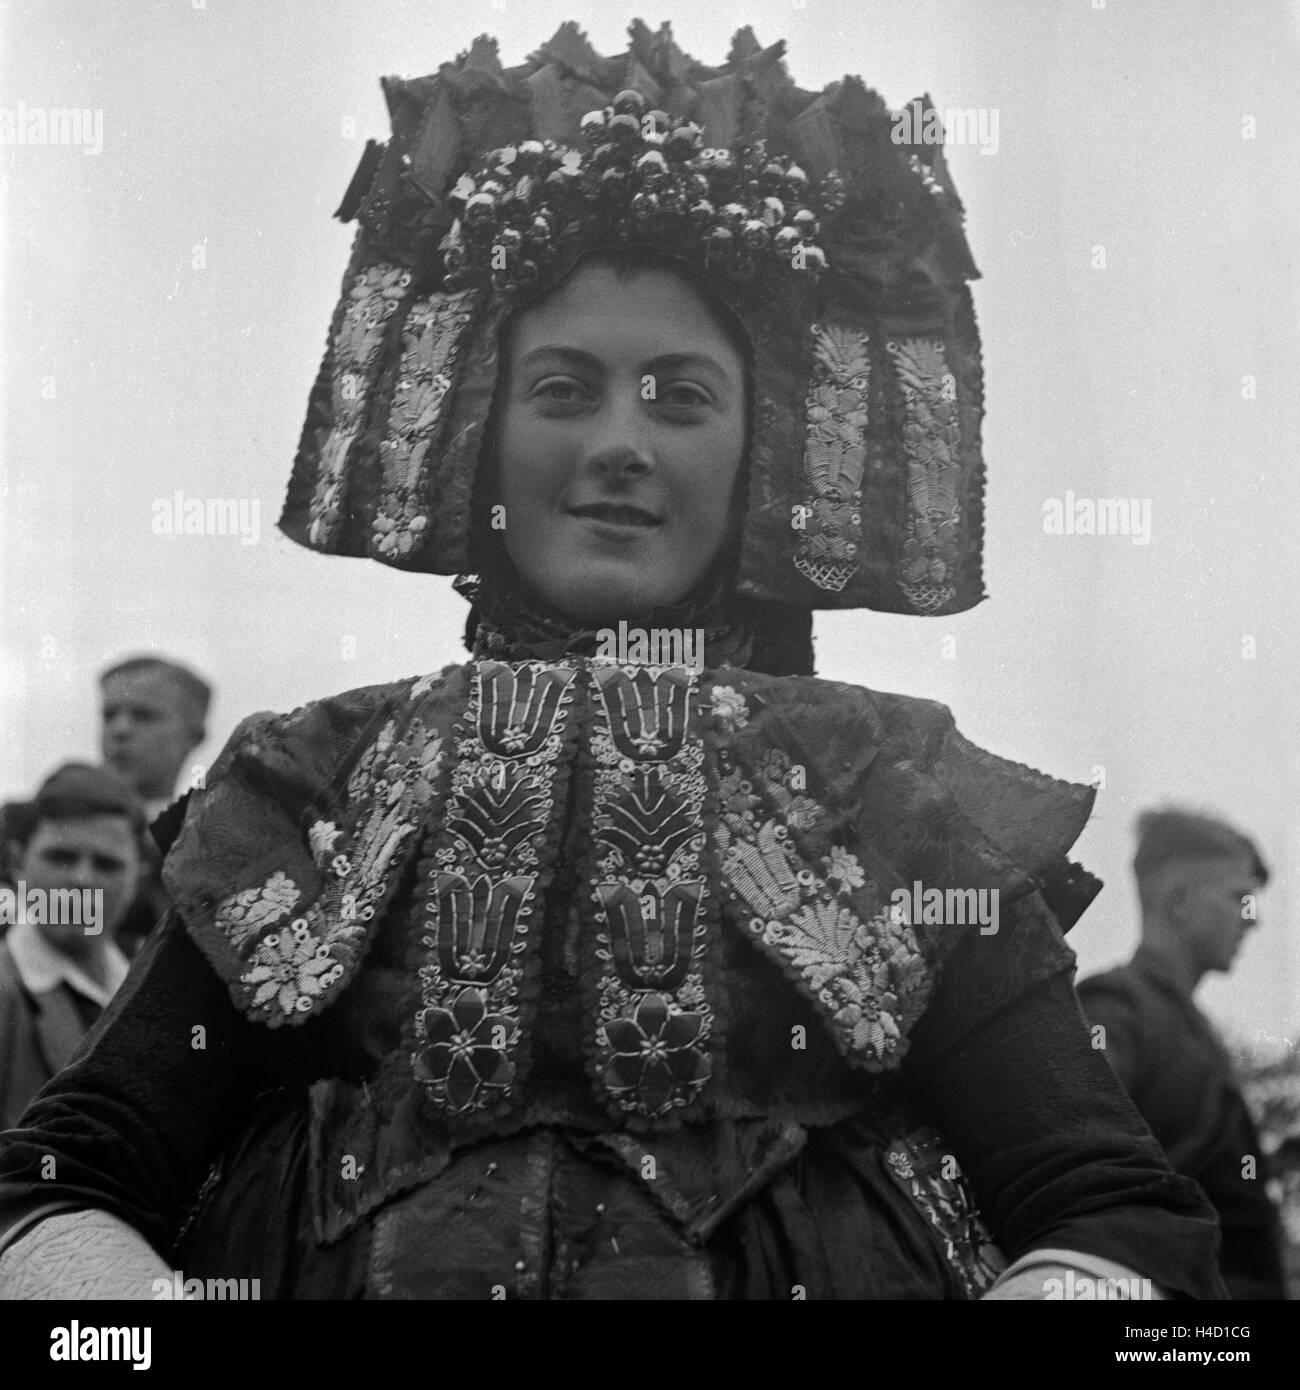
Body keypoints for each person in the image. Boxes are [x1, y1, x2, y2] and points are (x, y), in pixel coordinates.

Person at [0, 23, 1225, 1300]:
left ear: (761, 453)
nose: (622, 442)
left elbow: (1115, 1216)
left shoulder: (899, 801)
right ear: (482, 432)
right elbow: (60, 1186)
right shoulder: (309, 788)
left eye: (681, 395)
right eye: (565, 388)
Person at [1078, 809, 1287, 1299]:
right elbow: (1081, 1165)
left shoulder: (1194, 1030)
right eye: (1240, 898)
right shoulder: (1116, 1010)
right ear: (1178, 899)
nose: (1251, 921)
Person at [0, 764, 141, 1129]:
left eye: (107, 865)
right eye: (60, 858)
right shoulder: (6, 992)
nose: (81, 880)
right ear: (18, 864)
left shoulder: (145, 994)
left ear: (135, 880)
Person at [98, 655, 212, 955]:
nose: (120, 730)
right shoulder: (41, 826)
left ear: (193, 737)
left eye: (144, 715)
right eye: (109, 715)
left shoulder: (213, 844)